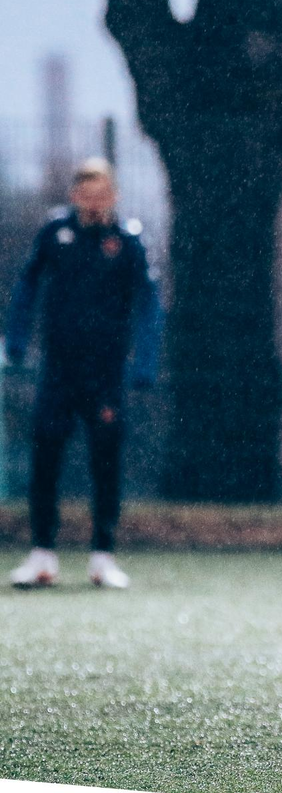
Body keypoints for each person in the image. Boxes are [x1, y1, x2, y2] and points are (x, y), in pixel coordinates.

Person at [5, 158, 161, 590]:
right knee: (45, 458)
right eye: (86, 195)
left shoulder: (128, 241)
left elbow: (149, 302)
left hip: (105, 374)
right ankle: (42, 554)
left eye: (101, 195)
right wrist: (16, 338)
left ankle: (102, 556)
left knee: (105, 461)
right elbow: (28, 284)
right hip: (58, 370)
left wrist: (145, 362)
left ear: (114, 196)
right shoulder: (55, 233)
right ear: (74, 196)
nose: (94, 203)